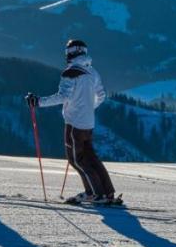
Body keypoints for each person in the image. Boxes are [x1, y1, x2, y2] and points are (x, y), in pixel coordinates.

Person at [25, 39, 120, 205]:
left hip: (74, 124)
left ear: (71, 53)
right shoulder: (92, 72)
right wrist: (88, 108)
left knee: (77, 160)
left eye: (67, 52)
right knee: (91, 158)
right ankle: (107, 192)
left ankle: (95, 194)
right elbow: (101, 95)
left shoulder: (70, 73)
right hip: (88, 123)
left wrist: (38, 102)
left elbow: (63, 96)